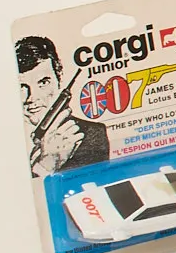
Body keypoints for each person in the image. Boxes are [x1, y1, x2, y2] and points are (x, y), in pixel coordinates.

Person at [18, 36, 108, 175]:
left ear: (59, 78)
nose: (32, 97)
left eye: (44, 83)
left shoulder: (90, 135)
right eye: (22, 87)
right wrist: (46, 164)